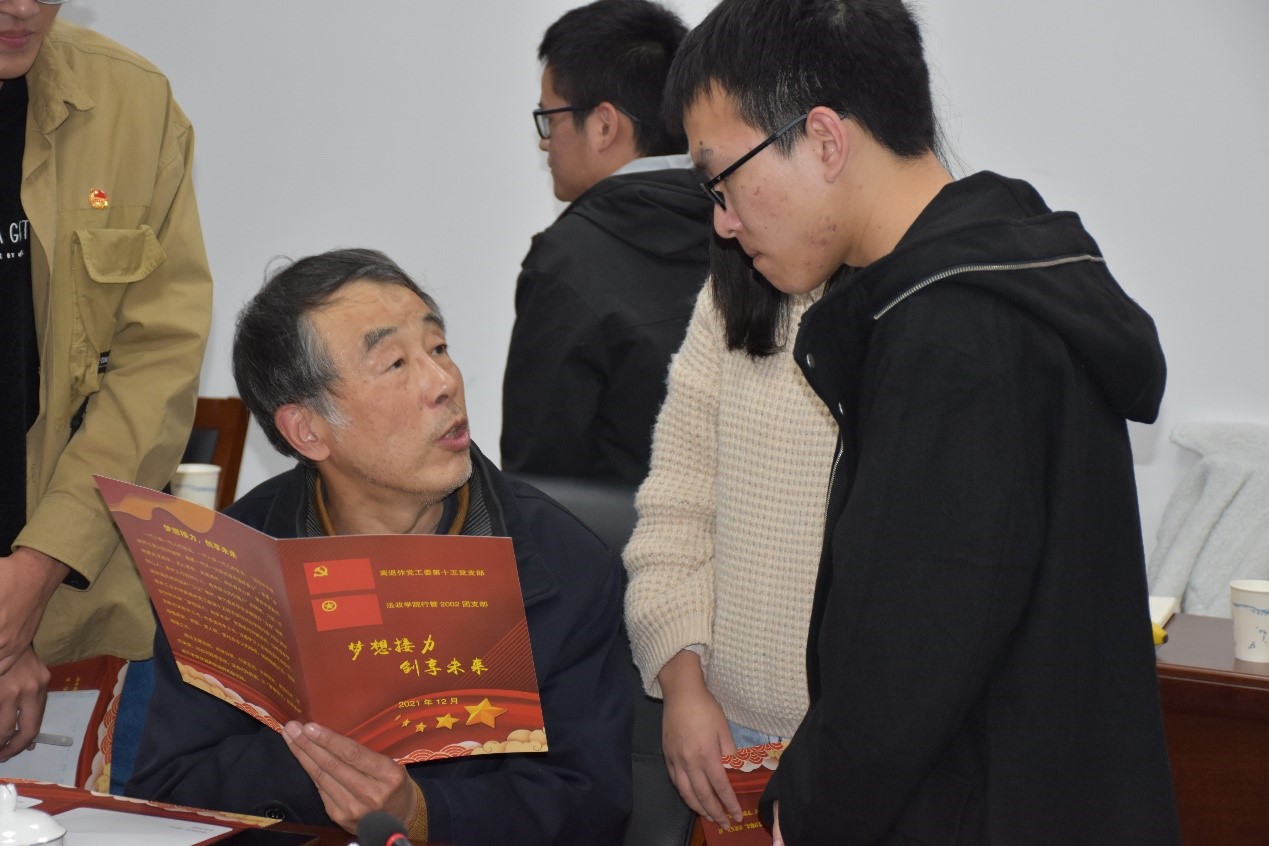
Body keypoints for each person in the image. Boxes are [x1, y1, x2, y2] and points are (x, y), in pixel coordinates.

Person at [663, 0, 1181, 843]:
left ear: (823, 140)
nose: (722, 219)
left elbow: (909, 650)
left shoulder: (954, 331)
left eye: (722, 178)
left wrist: (808, 812)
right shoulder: (992, 281)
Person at [128, 249, 632, 846]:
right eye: (395, 363)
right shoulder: (229, 564)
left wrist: (423, 811)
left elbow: (590, 806)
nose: (444, 383)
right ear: (307, 429)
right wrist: (326, 756)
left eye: (438, 348)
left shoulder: (563, 564)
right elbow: (171, 792)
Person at [0, 1, 211, 766]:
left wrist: (36, 573)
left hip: (73, 614)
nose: (24, 6)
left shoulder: (133, 103)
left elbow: (159, 362)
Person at [623, 235, 839, 827]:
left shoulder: (926, 306)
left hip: (887, 746)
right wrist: (683, 686)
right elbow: (677, 510)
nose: (724, 219)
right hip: (737, 736)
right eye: (715, 195)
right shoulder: (730, 295)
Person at [500, 0, 711, 486]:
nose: (544, 141)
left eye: (549, 117)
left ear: (603, 125)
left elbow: (540, 482)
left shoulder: (567, 260)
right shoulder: (745, 224)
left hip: (622, 534)